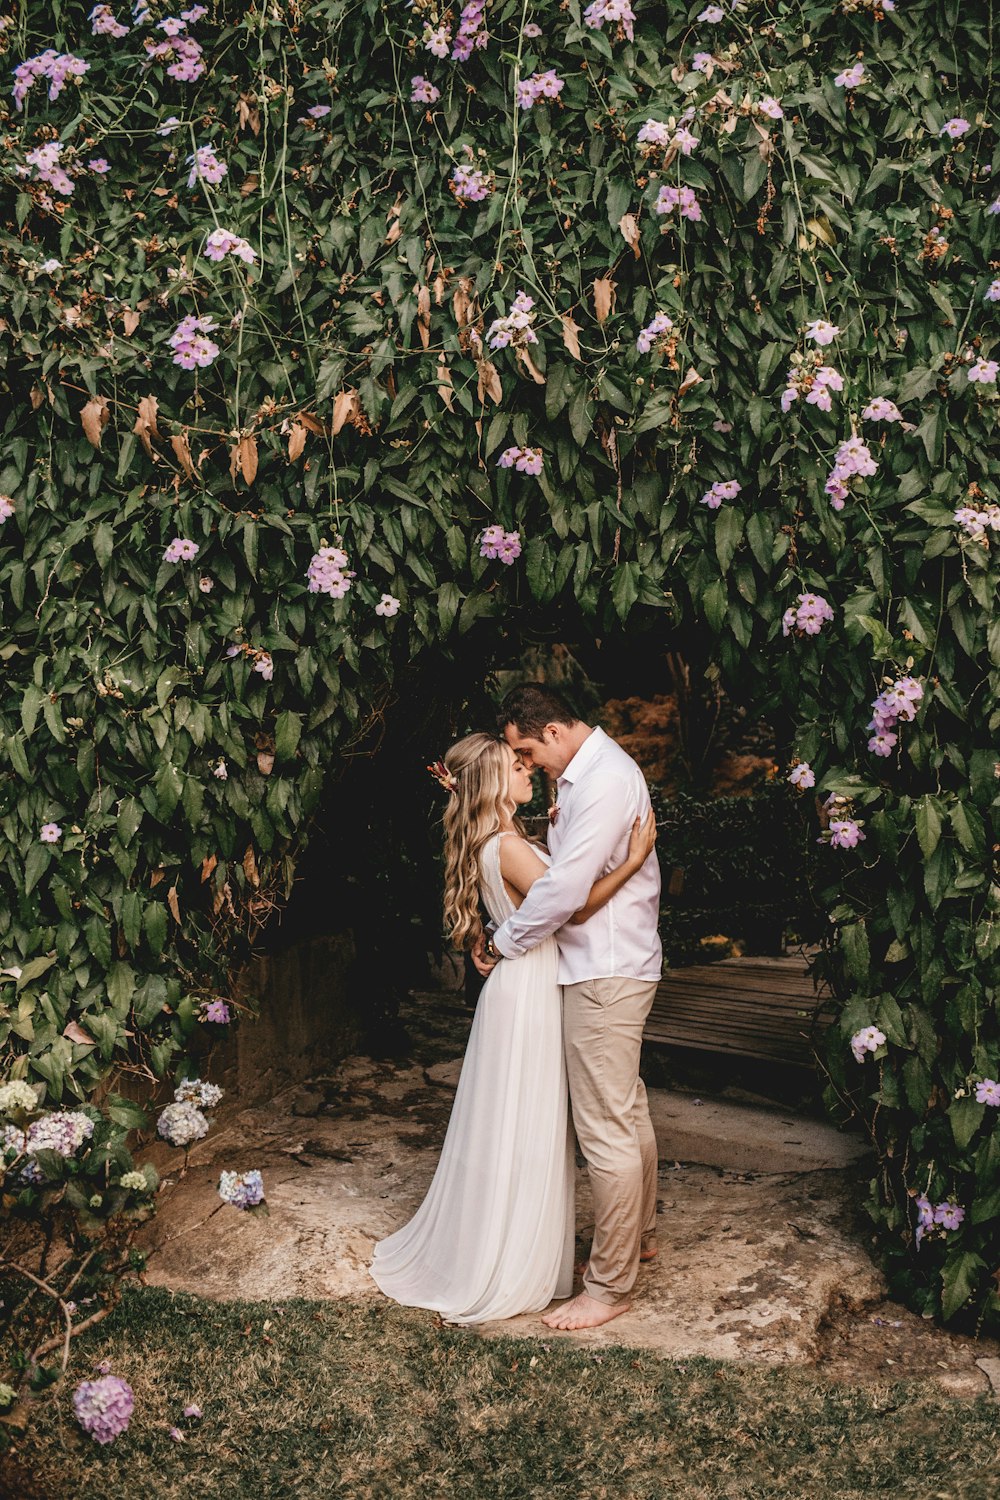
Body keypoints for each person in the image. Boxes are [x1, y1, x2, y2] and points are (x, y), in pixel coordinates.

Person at [369, 731, 655, 1324]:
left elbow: (533, 901)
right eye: (515, 765)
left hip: (522, 980)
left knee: (522, 1117)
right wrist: (632, 860)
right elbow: (569, 906)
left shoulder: (501, 841)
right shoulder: (507, 846)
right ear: (495, 784)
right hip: (530, 985)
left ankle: (536, 1243)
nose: (527, 769)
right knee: (529, 1119)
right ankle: (516, 1252)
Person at [474, 684, 662, 1331]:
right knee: (625, 1108)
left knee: (604, 1128)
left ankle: (609, 1288)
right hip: (611, 965)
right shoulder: (586, 779)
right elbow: (561, 877)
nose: (528, 765)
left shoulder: (604, 780)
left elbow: (563, 893)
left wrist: (501, 942)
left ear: (553, 731)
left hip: (604, 971)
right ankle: (635, 1239)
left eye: (527, 751)